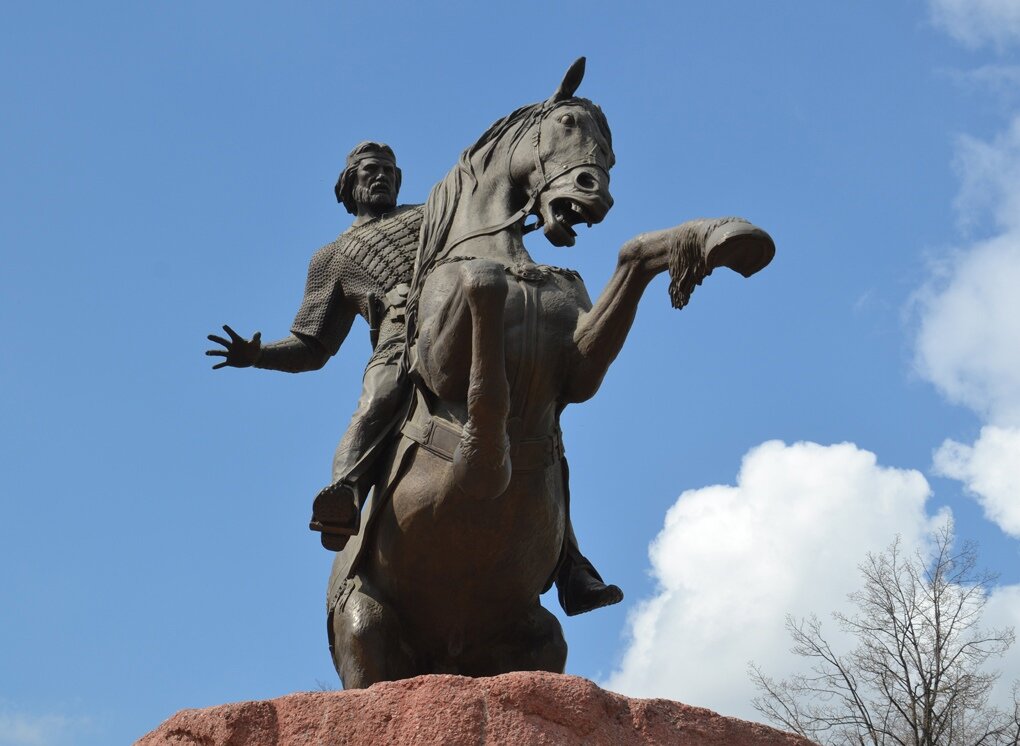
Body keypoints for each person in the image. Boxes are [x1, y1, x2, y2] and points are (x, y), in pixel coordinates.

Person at [207, 141, 621, 615]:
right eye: (368, 171)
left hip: (457, 313)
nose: (380, 177)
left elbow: (490, 222)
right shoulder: (332, 257)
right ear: (348, 186)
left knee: (539, 419)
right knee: (378, 397)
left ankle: (570, 563)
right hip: (401, 339)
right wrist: (257, 354)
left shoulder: (431, 215)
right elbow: (313, 346)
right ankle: (346, 492)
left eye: (388, 170)